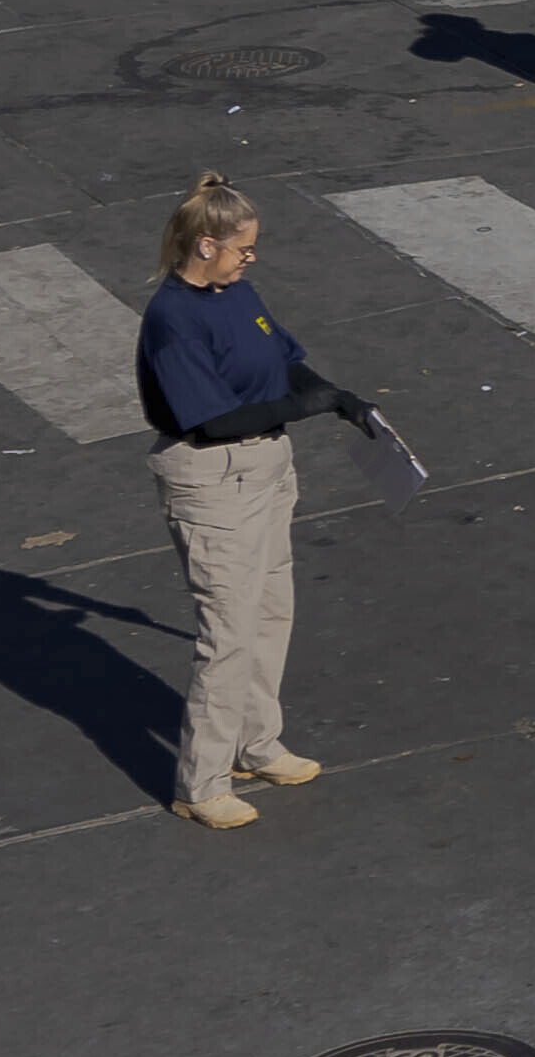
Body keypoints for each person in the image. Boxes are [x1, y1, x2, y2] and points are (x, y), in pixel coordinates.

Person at [136, 173, 392, 829]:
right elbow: (212, 420)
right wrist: (313, 405)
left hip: (268, 468)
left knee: (271, 611)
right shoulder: (174, 319)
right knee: (227, 633)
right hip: (215, 477)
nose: (251, 260)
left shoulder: (236, 292)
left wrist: (339, 396)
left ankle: (255, 744)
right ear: (203, 246)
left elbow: (286, 362)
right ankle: (201, 782)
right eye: (242, 249)